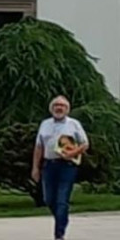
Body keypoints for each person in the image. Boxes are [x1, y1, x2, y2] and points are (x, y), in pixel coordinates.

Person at [31, 95, 89, 240]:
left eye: (62, 106)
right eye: (56, 105)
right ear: (52, 109)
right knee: (49, 199)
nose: (59, 108)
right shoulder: (45, 124)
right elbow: (39, 147)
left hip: (67, 166)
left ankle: (59, 234)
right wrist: (35, 168)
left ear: (67, 109)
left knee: (62, 200)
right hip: (49, 165)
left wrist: (72, 153)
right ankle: (62, 218)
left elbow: (85, 144)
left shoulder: (74, 124)